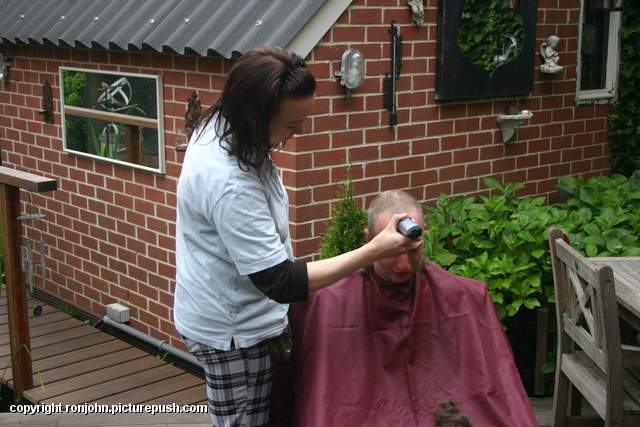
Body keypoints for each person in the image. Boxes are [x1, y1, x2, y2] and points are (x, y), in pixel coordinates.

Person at [173, 47, 420, 427]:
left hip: (228, 310)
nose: (298, 131)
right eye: (290, 125)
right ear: (255, 116)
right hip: (235, 333)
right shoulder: (227, 182)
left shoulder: (225, 124)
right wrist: (373, 250)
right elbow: (280, 281)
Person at [289, 190, 538, 427]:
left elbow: (499, 388)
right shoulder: (329, 302)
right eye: (393, 252)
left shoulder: (463, 297)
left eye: (413, 250)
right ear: (369, 239)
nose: (404, 265)